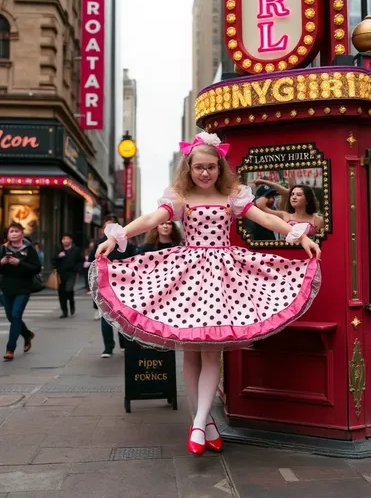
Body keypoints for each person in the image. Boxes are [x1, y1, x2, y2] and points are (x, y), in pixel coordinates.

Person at [90, 132, 321, 456]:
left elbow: (266, 218)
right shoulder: (180, 197)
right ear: (189, 167)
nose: (205, 173)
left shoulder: (233, 195)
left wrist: (299, 237)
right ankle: (205, 424)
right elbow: (151, 219)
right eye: (199, 167)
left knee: (212, 350)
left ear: (219, 167)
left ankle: (199, 423)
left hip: (223, 277)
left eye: (211, 167)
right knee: (191, 351)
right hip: (188, 276)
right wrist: (117, 237)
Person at [89, 215, 137, 356]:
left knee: (123, 316)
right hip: (104, 285)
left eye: (113, 227)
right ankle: (108, 347)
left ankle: (124, 343)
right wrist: (90, 286)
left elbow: (134, 264)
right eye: (106, 227)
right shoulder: (99, 244)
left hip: (124, 286)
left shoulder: (128, 245)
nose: (109, 230)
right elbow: (92, 265)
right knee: (106, 317)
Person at [0, 222, 41, 361]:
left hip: (23, 288)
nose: (14, 234)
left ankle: (10, 349)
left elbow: (36, 268)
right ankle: (27, 334)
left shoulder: (29, 249)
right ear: (8, 234)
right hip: (7, 287)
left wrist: (20, 263)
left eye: (16, 231)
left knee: (16, 315)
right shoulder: (3, 249)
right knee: (11, 317)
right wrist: (2, 263)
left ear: (22, 234)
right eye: (11, 231)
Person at [52, 234, 83, 318]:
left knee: (69, 289)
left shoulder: (76, 250)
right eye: (64, 238)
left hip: (71, 273)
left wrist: (77, 269)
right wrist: (58, 256)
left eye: (67, 238)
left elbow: (81, 261)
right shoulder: (58, 250)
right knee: (61, 293)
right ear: (62, 241)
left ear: (71, 240)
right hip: (60, 274)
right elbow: (52, 260)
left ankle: (71, 302)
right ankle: (64, 311)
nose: (65, 240)